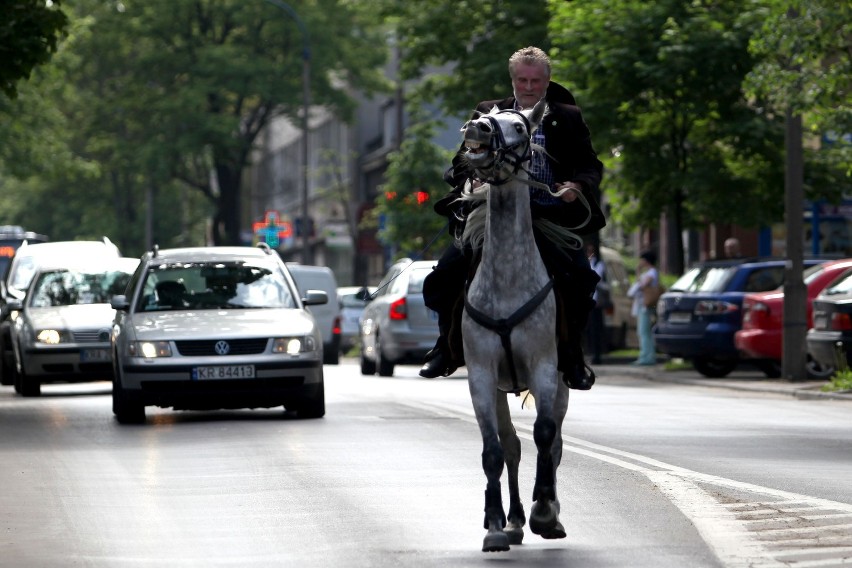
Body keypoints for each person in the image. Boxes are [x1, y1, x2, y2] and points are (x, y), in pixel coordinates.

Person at [419, 46, 606, 390]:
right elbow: (461, 160)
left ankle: (573, 357)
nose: (529, 86)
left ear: (547, 80)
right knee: (444, 275)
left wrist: (576, 185)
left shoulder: (566, 116)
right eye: (522, 79)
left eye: (536, 80)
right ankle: (444, 347)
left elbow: (589, 164)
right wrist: (468, 178)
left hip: (549, 214)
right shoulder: (487, 113)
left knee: (581, 279)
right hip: (492, 213)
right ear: (513, 79)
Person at [627, 251, 659, 365]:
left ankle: (647, 357)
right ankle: (646, 355)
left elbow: (642, 285)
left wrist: (638, 271)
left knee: (643, 331)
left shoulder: (651, 273)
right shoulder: (651, 272)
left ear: (646, 260)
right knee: (644, 331)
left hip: (646, 305)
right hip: (643, 305)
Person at [586, 243, 607, 365]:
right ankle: (592, 353)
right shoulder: (590, 262)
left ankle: (597, 354)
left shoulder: (599, 264)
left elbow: (595, 276)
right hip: (589, 299)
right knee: (590, 329)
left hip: (596, 301)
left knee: (596, 328)